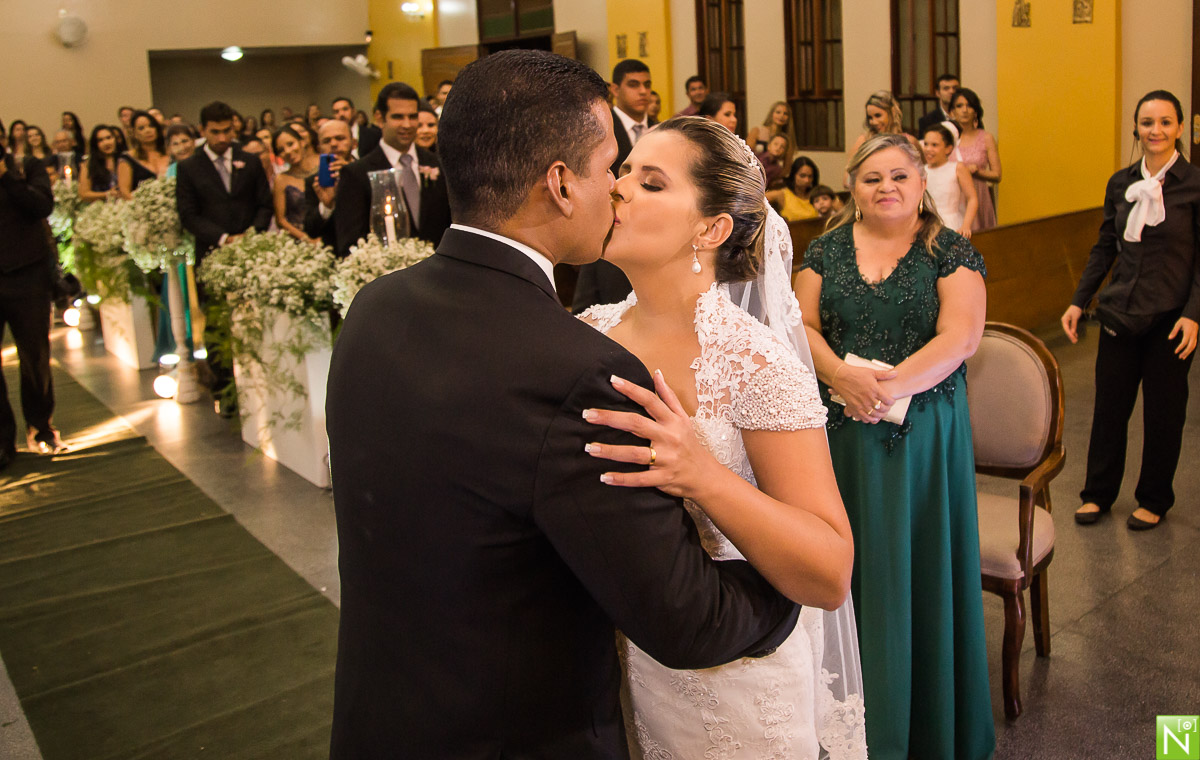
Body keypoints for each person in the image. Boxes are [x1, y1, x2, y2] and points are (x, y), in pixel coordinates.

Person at [325, 49, 801, 759]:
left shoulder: (375, 308)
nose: (618, 189)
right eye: (612, 167)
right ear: (560, 185)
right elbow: (688, 620)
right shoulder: (578, 367)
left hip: (383, 718)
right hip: (517, 735)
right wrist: (790, 586)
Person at [578, 115, 865, 758]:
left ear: (711, 229)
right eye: (623, 172)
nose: (619, 188)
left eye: (650, 183)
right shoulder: (587, 334)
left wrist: (702, 474)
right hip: (619, 667)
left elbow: (829, 573)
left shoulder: (754, 365)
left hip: (734, 681)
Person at [794, 133, 994, 760]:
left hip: (924, 433)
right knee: (851, 563)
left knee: (917, 563)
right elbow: (801, 325)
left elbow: (960, 337)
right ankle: (853, 722)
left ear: (920, 183)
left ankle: (928, 726)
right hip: (841, 434)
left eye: (899, 176)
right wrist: (840, 377)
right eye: (872, 177)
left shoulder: (948, 251)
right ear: (852, 186)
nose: (886, 187)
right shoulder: (823, 251)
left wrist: (883, 390)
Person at [1064, 90, 1199, 531]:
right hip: (1120, 312)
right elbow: (1105, 246)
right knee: (1109, 410)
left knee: (1164, 414)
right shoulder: (1120, 183)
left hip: (1171, 318)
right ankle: (1098, 494)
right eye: (1146, 122)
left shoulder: (1194, 185)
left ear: (1179, 128)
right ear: (1136, 128)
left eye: (1164, 122)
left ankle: (1154, 498)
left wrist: (1194, 313)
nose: (1155, 131)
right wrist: (1078, 300)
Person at [176, 101, 273, 413]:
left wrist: (250, 234)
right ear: (203, 131)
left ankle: (258, 384)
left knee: (254, 316)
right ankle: (225, 391)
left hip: (249, 250)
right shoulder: (190, 167)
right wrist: (223, 238)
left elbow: (264, 203)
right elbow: (188, 214)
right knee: (217, 321)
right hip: (212, 252)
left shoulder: (249, 160)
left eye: (227, 131)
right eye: (214, 132)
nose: (221, 138)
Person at [572, 58, 655, 313]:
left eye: (647, 85)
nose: (643, 91)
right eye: (634, 84)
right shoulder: (597, 129)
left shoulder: (660, 130)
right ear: (615, 89)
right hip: (608, 229)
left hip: (651, 236)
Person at [0, 142, 66, 463]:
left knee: (36, 356)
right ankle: (2, 442)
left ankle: (40, 427)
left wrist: (8, 179)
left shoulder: (27, 168)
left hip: (28, 275)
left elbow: (42, 206)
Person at [332, 82, 451, 256]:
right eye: (398, 117)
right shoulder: (356, 174)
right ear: (380, 118)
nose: (407, 124)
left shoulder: (437, 165)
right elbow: (350, 245)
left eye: (412, 116)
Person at [950, 87, 1000, 231]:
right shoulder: (947, 139)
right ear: (952, 112)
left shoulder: (985, 138)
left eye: (969, 105)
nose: (965, 110)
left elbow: (997, 175)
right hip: (954, 197)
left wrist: (978, 171)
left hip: (978, 194)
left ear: (975, 111)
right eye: (959, 106)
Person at [304, 119, 356, 251]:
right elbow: (311, 230)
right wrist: (326, 206)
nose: (333, 144)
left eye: (340, 138)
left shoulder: (367, 172)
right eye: (326, 141)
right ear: (319, 148)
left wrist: (352, 175)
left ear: (353, 143)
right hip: (334, 254)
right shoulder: (314, 181)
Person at [921, 123, 978, 236]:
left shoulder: (957, 168)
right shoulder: (921, 170)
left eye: (934, 145)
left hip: (951, 224)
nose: (928, 149)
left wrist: (966, 225)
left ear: (948, 148)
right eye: (926, 144)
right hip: (927, 224)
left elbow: (972, 198)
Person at [271, 124, 319, 241]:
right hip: (299, 240)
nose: (288, 151)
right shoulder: (281, 179)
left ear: (302, 142)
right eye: (281, 150)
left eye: (290, 144)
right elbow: (281, 220)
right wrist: (308, 240)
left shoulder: (323, 162)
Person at [850, 90, 920, 155]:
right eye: (870, 118)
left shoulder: (910, 141)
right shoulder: (864, 141)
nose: (874, 122)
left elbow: (922, 167)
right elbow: (850, 167)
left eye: (878, 115)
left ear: (893, 112)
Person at [118, 110, 169, 199]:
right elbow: (124, 192)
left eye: (151, 126)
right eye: (141, 128)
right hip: (141, 207)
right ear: (134, 133)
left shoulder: (170, 153)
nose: (148, 130)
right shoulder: (127, 159)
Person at [767, 155, 821, 222]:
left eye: (810, 176)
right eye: (802, 176)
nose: (807, 180)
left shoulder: (817, 194)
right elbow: (756, 199)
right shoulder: (783, 194)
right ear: (793, 175)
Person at [78, 125, 121, 202]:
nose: (106, 143)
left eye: (109, 138)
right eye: (100, 140)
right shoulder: (88, 165)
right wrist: (107, 194)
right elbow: (84, 194)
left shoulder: (124, 160)